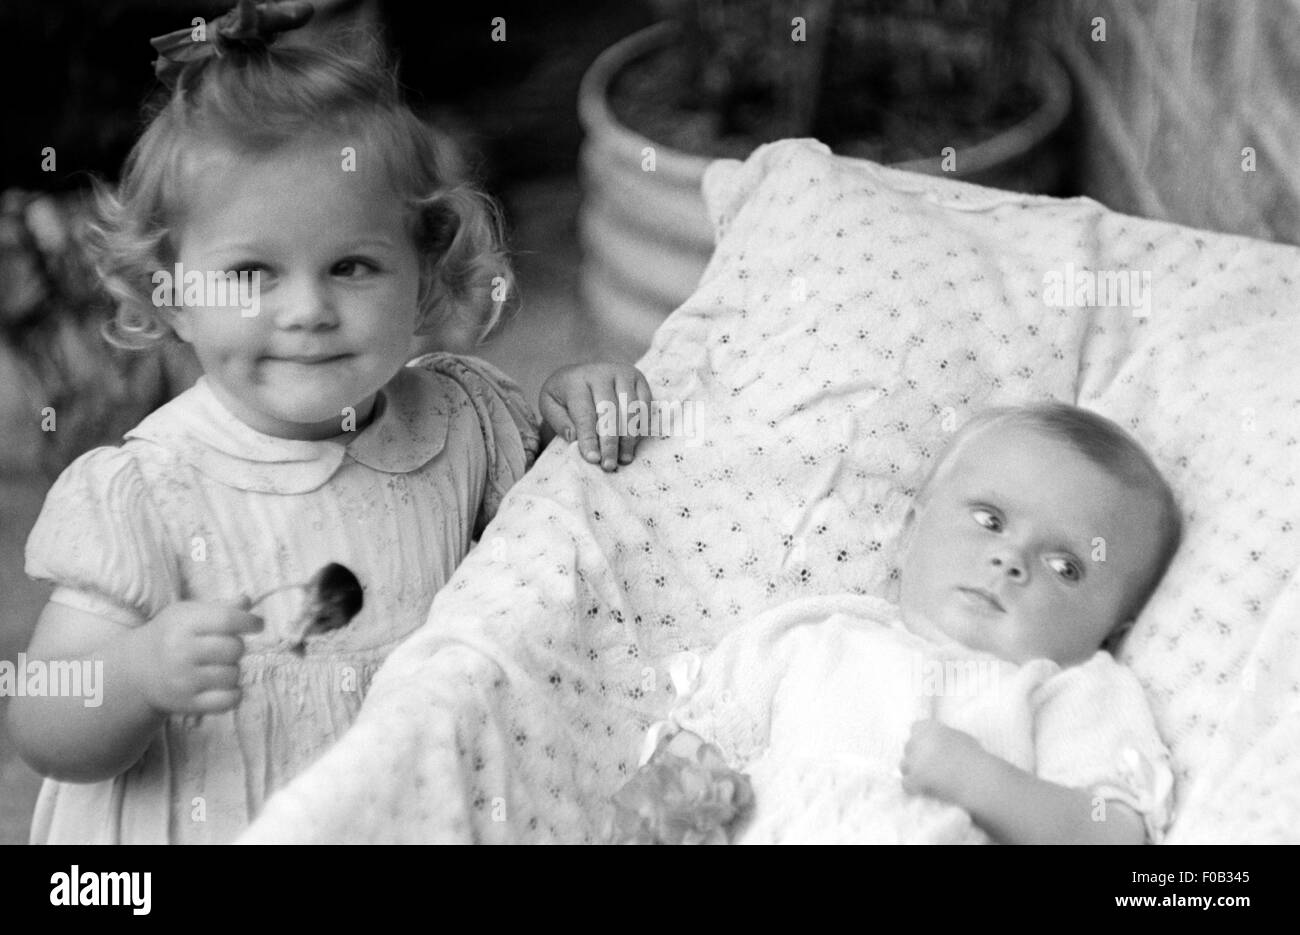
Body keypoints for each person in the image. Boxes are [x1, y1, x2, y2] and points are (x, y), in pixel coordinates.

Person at [9, 1, 650, 843]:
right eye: (250, 273)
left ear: (424, 272)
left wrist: (576, 402)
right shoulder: (142, 494)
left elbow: (551, 537)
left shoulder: (465, 421)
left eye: (352, 265)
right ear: (171, 291)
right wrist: (138, 672)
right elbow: (42, 721)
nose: (307, 309)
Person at [610, 402, 1181, 844]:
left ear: (1112, 629)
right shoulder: (814, 638)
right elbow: (692, 757)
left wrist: (986, 786)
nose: (1012, 560)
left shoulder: (1070, 691)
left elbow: (1114, 836)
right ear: (913, 527)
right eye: (990, 519)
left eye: (1065, 566)